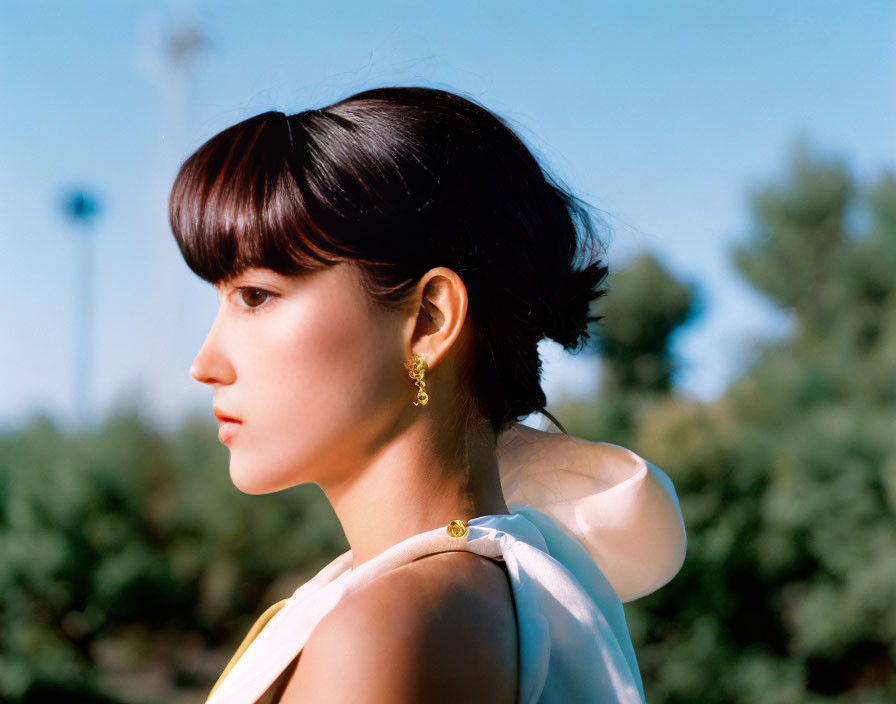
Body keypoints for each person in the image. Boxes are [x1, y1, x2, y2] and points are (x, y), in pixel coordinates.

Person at [169, 86, 686, 703]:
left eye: (255, 296)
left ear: (430, 321)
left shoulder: (390, 633)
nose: (204, 364)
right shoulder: (503, 592)